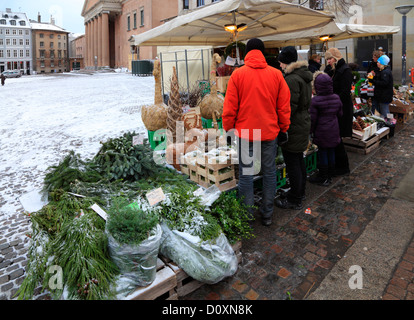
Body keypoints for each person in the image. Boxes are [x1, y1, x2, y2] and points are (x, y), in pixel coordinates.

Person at [222, 38, 291, 226]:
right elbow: (283, 107)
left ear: (247, 54)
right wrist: (284, 128)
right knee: (269, 173)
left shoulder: (238, 75)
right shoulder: (276, 75)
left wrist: (228, 129)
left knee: (246, 175)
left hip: (245, 134)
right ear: (262, 52)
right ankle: (267, 214)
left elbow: (229, 108)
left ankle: (246, 216)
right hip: (269, 133)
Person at [276, 46, 313, 210]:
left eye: (281, 62)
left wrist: (282, 128)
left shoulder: (291, 80)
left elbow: (288, 108)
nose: (280, 66)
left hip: (294, 126)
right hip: (303, 122)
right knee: (298, 160)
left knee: (293, 163)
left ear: (287, 62)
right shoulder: (303, 76)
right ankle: (299, 192)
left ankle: (295, 198)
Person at [309, 72, 343, 186]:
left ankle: (323, 177)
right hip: (334, 129)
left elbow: (312, 120)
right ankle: (330, 174)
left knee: (323, 153)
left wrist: (310, 131)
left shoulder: (315, 101)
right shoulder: (336, 97)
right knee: (331, 152)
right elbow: (340, 114)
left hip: (322, 131)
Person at [324, 48, 353, 176]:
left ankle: (343, 166)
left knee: (338, 138)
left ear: (335, 58)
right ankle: (339, 164)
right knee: (337, 138)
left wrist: (333, 102)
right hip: (337, 107)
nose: (328, 62)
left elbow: (345, 92)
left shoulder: (345, 70)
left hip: (342, 109)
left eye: (329, 59)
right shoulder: (335, 70)